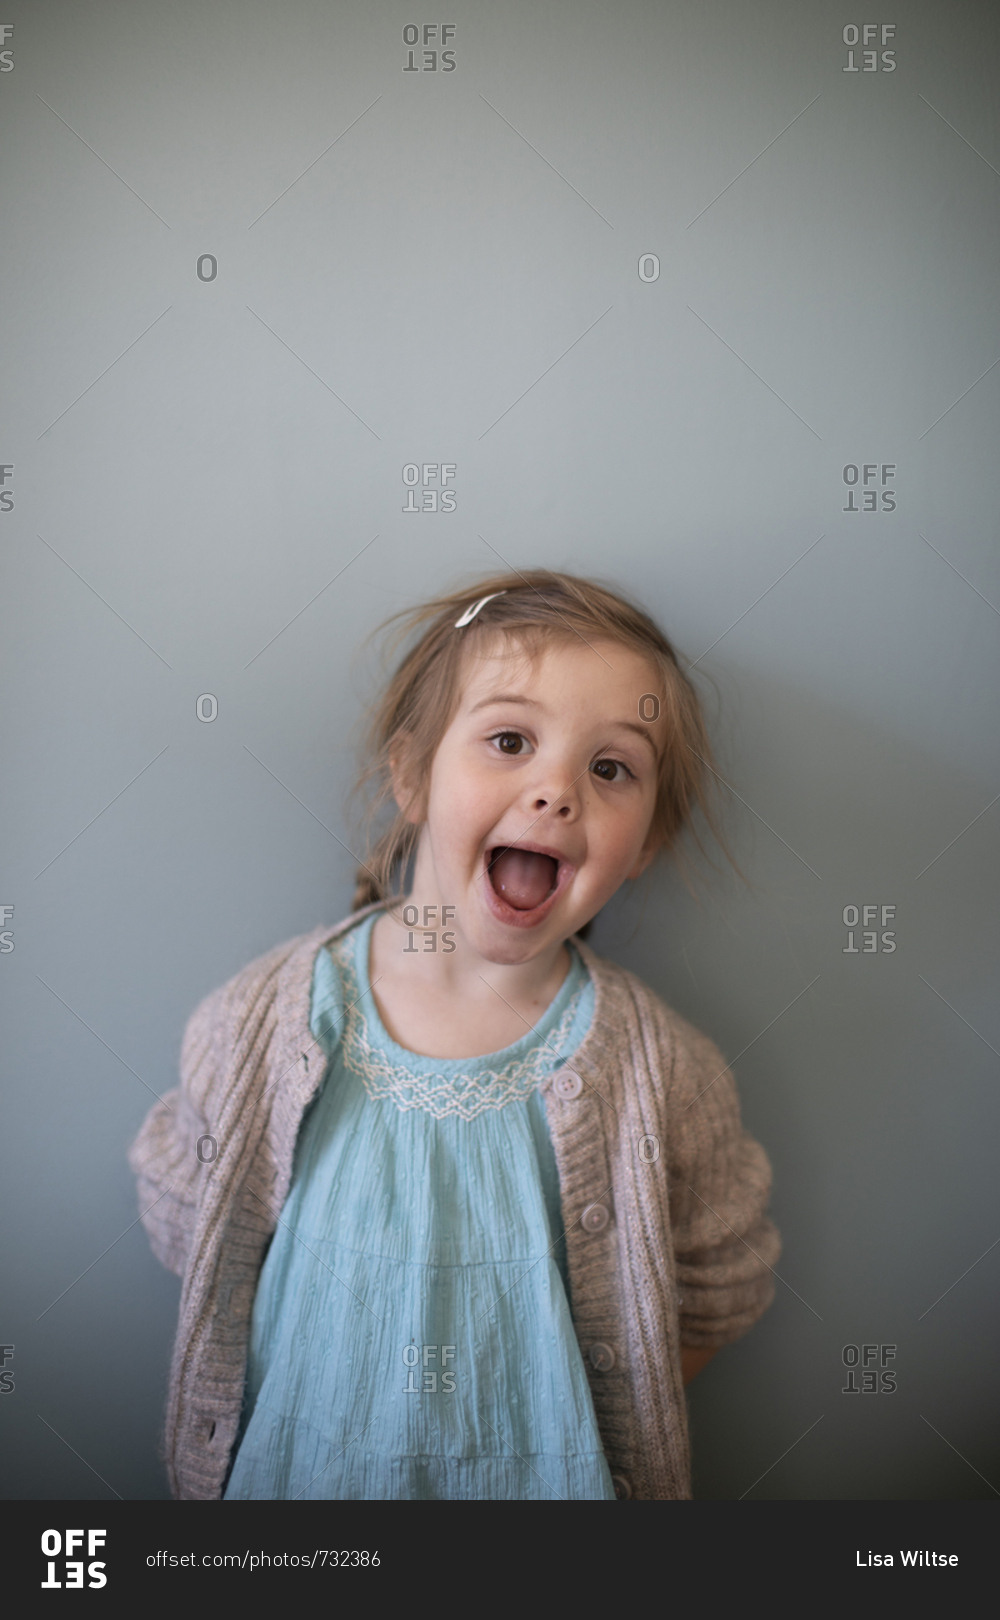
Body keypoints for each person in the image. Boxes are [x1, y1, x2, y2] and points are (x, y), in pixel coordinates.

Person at [129, 567, 781, 1501]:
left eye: (611, 767)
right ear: (411, 775)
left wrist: (561, 1410)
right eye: (509, 740)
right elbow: (191, 1220)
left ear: (647, 842)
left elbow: (718, 1289)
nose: (556, 790)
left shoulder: (664, 1072)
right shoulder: (262, 1024)